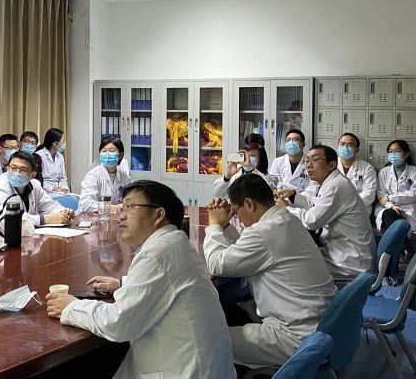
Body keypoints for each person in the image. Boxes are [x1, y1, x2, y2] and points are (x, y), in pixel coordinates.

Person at [45, 180, 236, 379]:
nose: (121, 215)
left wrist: (71, 307)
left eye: (130, 207)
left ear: (159, 215)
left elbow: (119, 324)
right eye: (122, 208)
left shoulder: (157, 254)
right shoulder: (174, 242)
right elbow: (168, 282)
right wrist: (124, 284)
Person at [203, 174, 336, 369]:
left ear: (249, 204)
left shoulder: (264, 232)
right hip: (317, 325)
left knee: (208, 340)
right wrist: (226, 226)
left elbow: (217, 264)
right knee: (235, 312)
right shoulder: (285, 219)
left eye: (236, 212)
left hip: (294, 336)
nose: (238, 218)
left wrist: (214, 226)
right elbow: (246, 249)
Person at [275, 145, 376, 283]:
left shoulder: (336, 186)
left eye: (315, 160)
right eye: (307, 161)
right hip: (343, 251)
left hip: (350, 262)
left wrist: (286, 209)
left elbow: (312, 221)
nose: (309, 165)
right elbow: (319, 206)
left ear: (331, 165)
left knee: (288, 268)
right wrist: (293, 196)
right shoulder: (333, 182)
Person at [0, 151, 74, 238]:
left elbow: (49, 206)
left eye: (23, 170)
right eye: (13, 167)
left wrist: (63, 213)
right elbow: (11, 224)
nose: (17, 172)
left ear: (32, 175)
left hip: (21, 242)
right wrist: (45, 219)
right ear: (7, 168)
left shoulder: (35, 186)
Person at [374, 140, 416, 233]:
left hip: (408, 210)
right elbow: (381, 196)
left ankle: (399, 241)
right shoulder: (383, 172)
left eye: (397, 151)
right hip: (388, 208)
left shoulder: (414, 172)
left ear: (406, 154)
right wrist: (391, 206)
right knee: (390, 214)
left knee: (393, 226)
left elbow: (414, 194)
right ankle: (404, 242)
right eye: (390, 152)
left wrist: (389, 198)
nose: (393, 154)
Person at [78, 137, 132, 213]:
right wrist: (112, 207)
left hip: (114, 216)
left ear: (120, 155)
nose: (107, 154)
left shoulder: (124, 176)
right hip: (91, 216)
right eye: (104, 151)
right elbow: (86, 204)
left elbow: (132, 196)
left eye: (112, 151)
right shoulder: (93, 175)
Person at [336, 132, 377, 216]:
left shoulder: (367, 168)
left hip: (358, 209)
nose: (345, 148)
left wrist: (347, 206)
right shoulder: (330, 165)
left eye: (350, 145)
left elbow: (369, 194)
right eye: (342, 144)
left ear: (357, 149)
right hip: (334, 208)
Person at [36, 128, 69, 195]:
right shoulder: (39, 155)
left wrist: (64, 188)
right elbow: (37, 180)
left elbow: (62, 178)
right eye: (63, 141)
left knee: (76, 199)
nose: (64, 143)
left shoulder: (60, 156)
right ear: (55, 143)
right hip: (44, 191)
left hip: (59, 190)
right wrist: (51, 188)